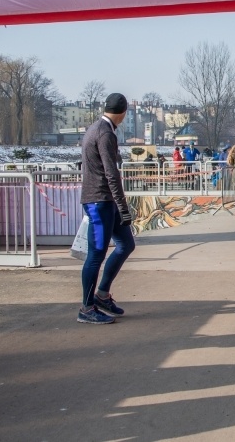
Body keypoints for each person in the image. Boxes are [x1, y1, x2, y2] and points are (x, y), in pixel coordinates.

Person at [78, 93, 136, 324]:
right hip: (99, 200)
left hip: (104, 199)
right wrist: (124, 208)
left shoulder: (98, 128)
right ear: (123, 113)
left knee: (126, 244)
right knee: (96, 254)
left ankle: (102, 294)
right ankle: (86, 307)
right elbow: (112, 174)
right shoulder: (105, 133)